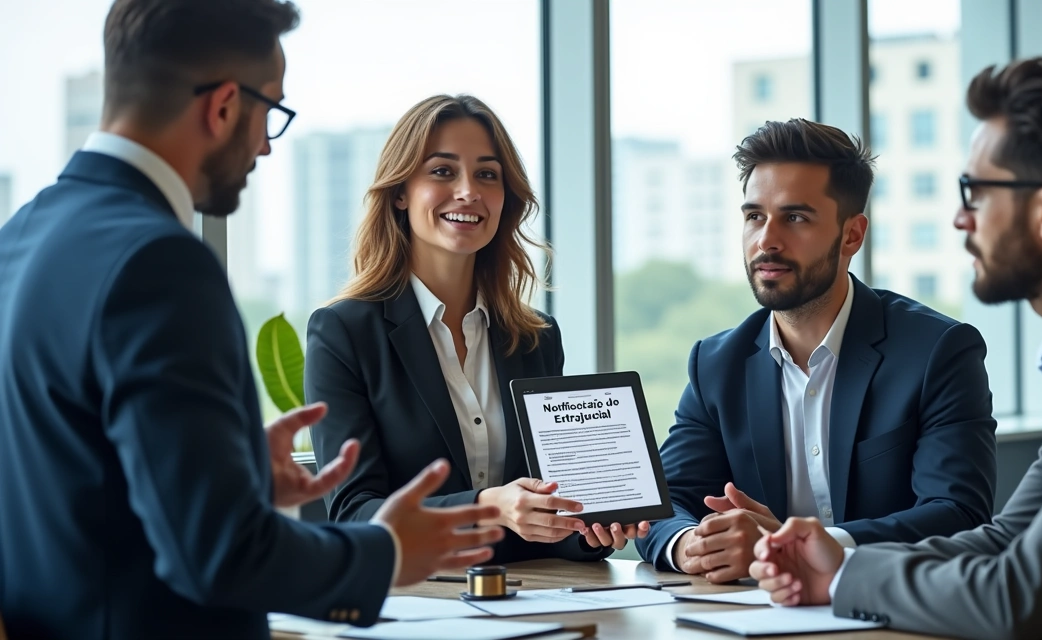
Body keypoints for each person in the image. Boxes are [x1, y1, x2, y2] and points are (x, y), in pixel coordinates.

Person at [0, 2, 505, 638]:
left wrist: (230, 479)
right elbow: (218, 557)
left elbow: (74, 486)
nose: (267, 143)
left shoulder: (20, 237)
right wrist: (388, 553)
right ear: (223, 108)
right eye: (272, 112)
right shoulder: (159, 261)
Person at [749, 55, 1042, 640]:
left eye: (975, 192)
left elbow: (1015, 596)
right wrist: (841, 564)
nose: (959, 219)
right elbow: (1007, 536)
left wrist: (842, 582)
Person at [635, 118, 999, 583]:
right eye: (753, 216)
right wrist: (691, 545)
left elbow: (958, 513)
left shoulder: (937, 351)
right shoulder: (716, 364)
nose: (766, 240)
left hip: (890, 614)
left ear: (852, 235)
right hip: (757, 620)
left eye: (795, 217)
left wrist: (809, 547)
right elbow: (664, 502)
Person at [305, 94, 647, 563]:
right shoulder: (343, 332)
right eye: (443, 171)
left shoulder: (537, 336)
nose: (468, 191)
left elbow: (541, 518)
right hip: (414, 606)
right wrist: (487, 506)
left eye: (487, 174)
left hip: (529, 603)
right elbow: (353, 514)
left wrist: (588, 527)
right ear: (401, 191)